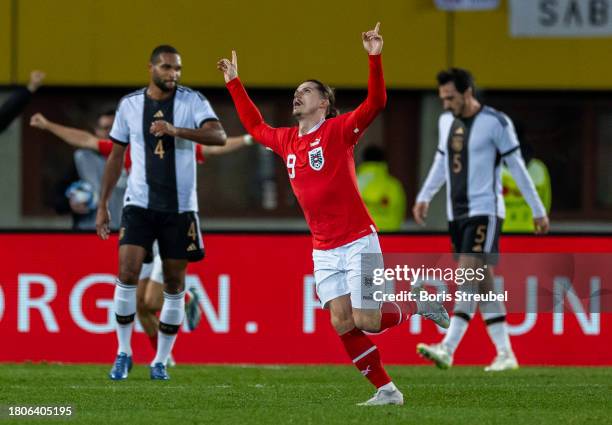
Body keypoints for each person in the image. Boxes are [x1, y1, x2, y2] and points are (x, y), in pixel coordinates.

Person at [218, 23, 449, 406]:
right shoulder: (287, 140)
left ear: (323, 103)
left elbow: (375, 104)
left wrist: (375, 58)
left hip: (358, 239)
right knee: (343, 322)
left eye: (306, 91)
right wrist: (234, 83)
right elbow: (255, 126)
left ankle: (417, 304)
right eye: (297, 92)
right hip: (324, 249)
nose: (298, 95)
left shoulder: (341, 130)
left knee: (368, 320)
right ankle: (386, 390)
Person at [32, 109, 252, 363]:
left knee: (151, 300)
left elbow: (214, 148)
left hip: (170, 231)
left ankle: (186, 297)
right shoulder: (128, 151)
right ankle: (164, 356)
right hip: (143, 232)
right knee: (139, 305)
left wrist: (248, 139)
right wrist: (49, 125)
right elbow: (85, 140)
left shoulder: (179, 151)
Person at [97, 44, 227, 381]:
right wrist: (102, 206)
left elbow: (219, 136)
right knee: (126, 273)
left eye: (178, 69)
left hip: (181, 210)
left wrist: (176, 130)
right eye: (168, 68)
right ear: (151, 67)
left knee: (174, 283)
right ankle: (123, 353)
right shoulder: (129, 105)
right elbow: (115, 157)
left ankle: (160, 360)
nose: (173, 74)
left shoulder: (192, 101)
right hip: (138, 204)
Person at [412, 68, 550, 372]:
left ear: (467, 93)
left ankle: (447, 348)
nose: (446, 104)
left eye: (450, 98)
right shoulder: (446, 120)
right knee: (483, 284)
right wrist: (424, 196)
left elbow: (517, 168)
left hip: (485, 212)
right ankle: (505, 353)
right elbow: (441, 162)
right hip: (456, 214)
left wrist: (537, 210)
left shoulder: (496, 123)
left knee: (466, 277)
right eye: (442, 99)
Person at [501, 135, 552, 232]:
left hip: (504, 229)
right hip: (531, 228)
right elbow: (546, 201)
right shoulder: (539, 168)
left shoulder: (496, 168)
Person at [357, 145, 407, 231]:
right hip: (390, 237)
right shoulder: (394, 185)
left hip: (362, 237)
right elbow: (400, 213)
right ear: (384, 161)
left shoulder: (354, 182)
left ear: (363, 160)